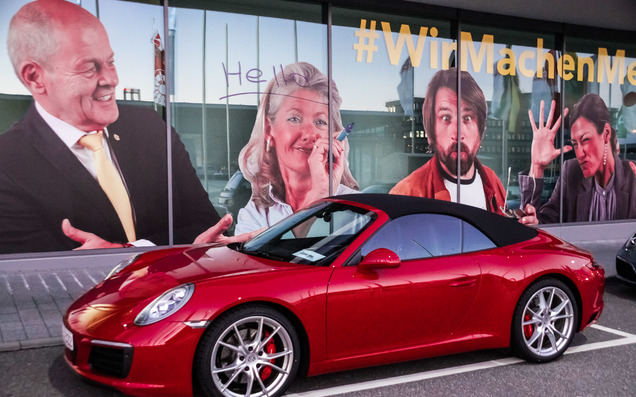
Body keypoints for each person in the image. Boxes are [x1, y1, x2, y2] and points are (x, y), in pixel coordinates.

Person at [0, 0, 245, 254]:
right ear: (35, 77)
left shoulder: (150, 129)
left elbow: (208, 227)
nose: (111, 79)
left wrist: (125, 250)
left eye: (110, 61)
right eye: (88, 67)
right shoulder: (8, 165)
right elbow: (38, 281)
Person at [234, 62, 359, 235]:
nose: (309, 134)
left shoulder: (357, 211)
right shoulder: (256, 213)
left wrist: (321, 192)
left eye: (320, 122)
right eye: (294, 119)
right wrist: (316, 198)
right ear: (269, 130)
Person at [390, 68, 506, 214]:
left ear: (480, 129)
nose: (458, 133)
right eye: (446, 118)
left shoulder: (492, 181)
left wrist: (524, 225)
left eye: (467, 118)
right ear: (430, 129)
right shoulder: (406, 194)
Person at [519, 94, 636, 224]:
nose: (579, 153)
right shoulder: (571, 172)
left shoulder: (633, 177)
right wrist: (537, 167)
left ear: (606, 133)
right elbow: (541, 223)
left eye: (585, 139)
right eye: (575, 144)